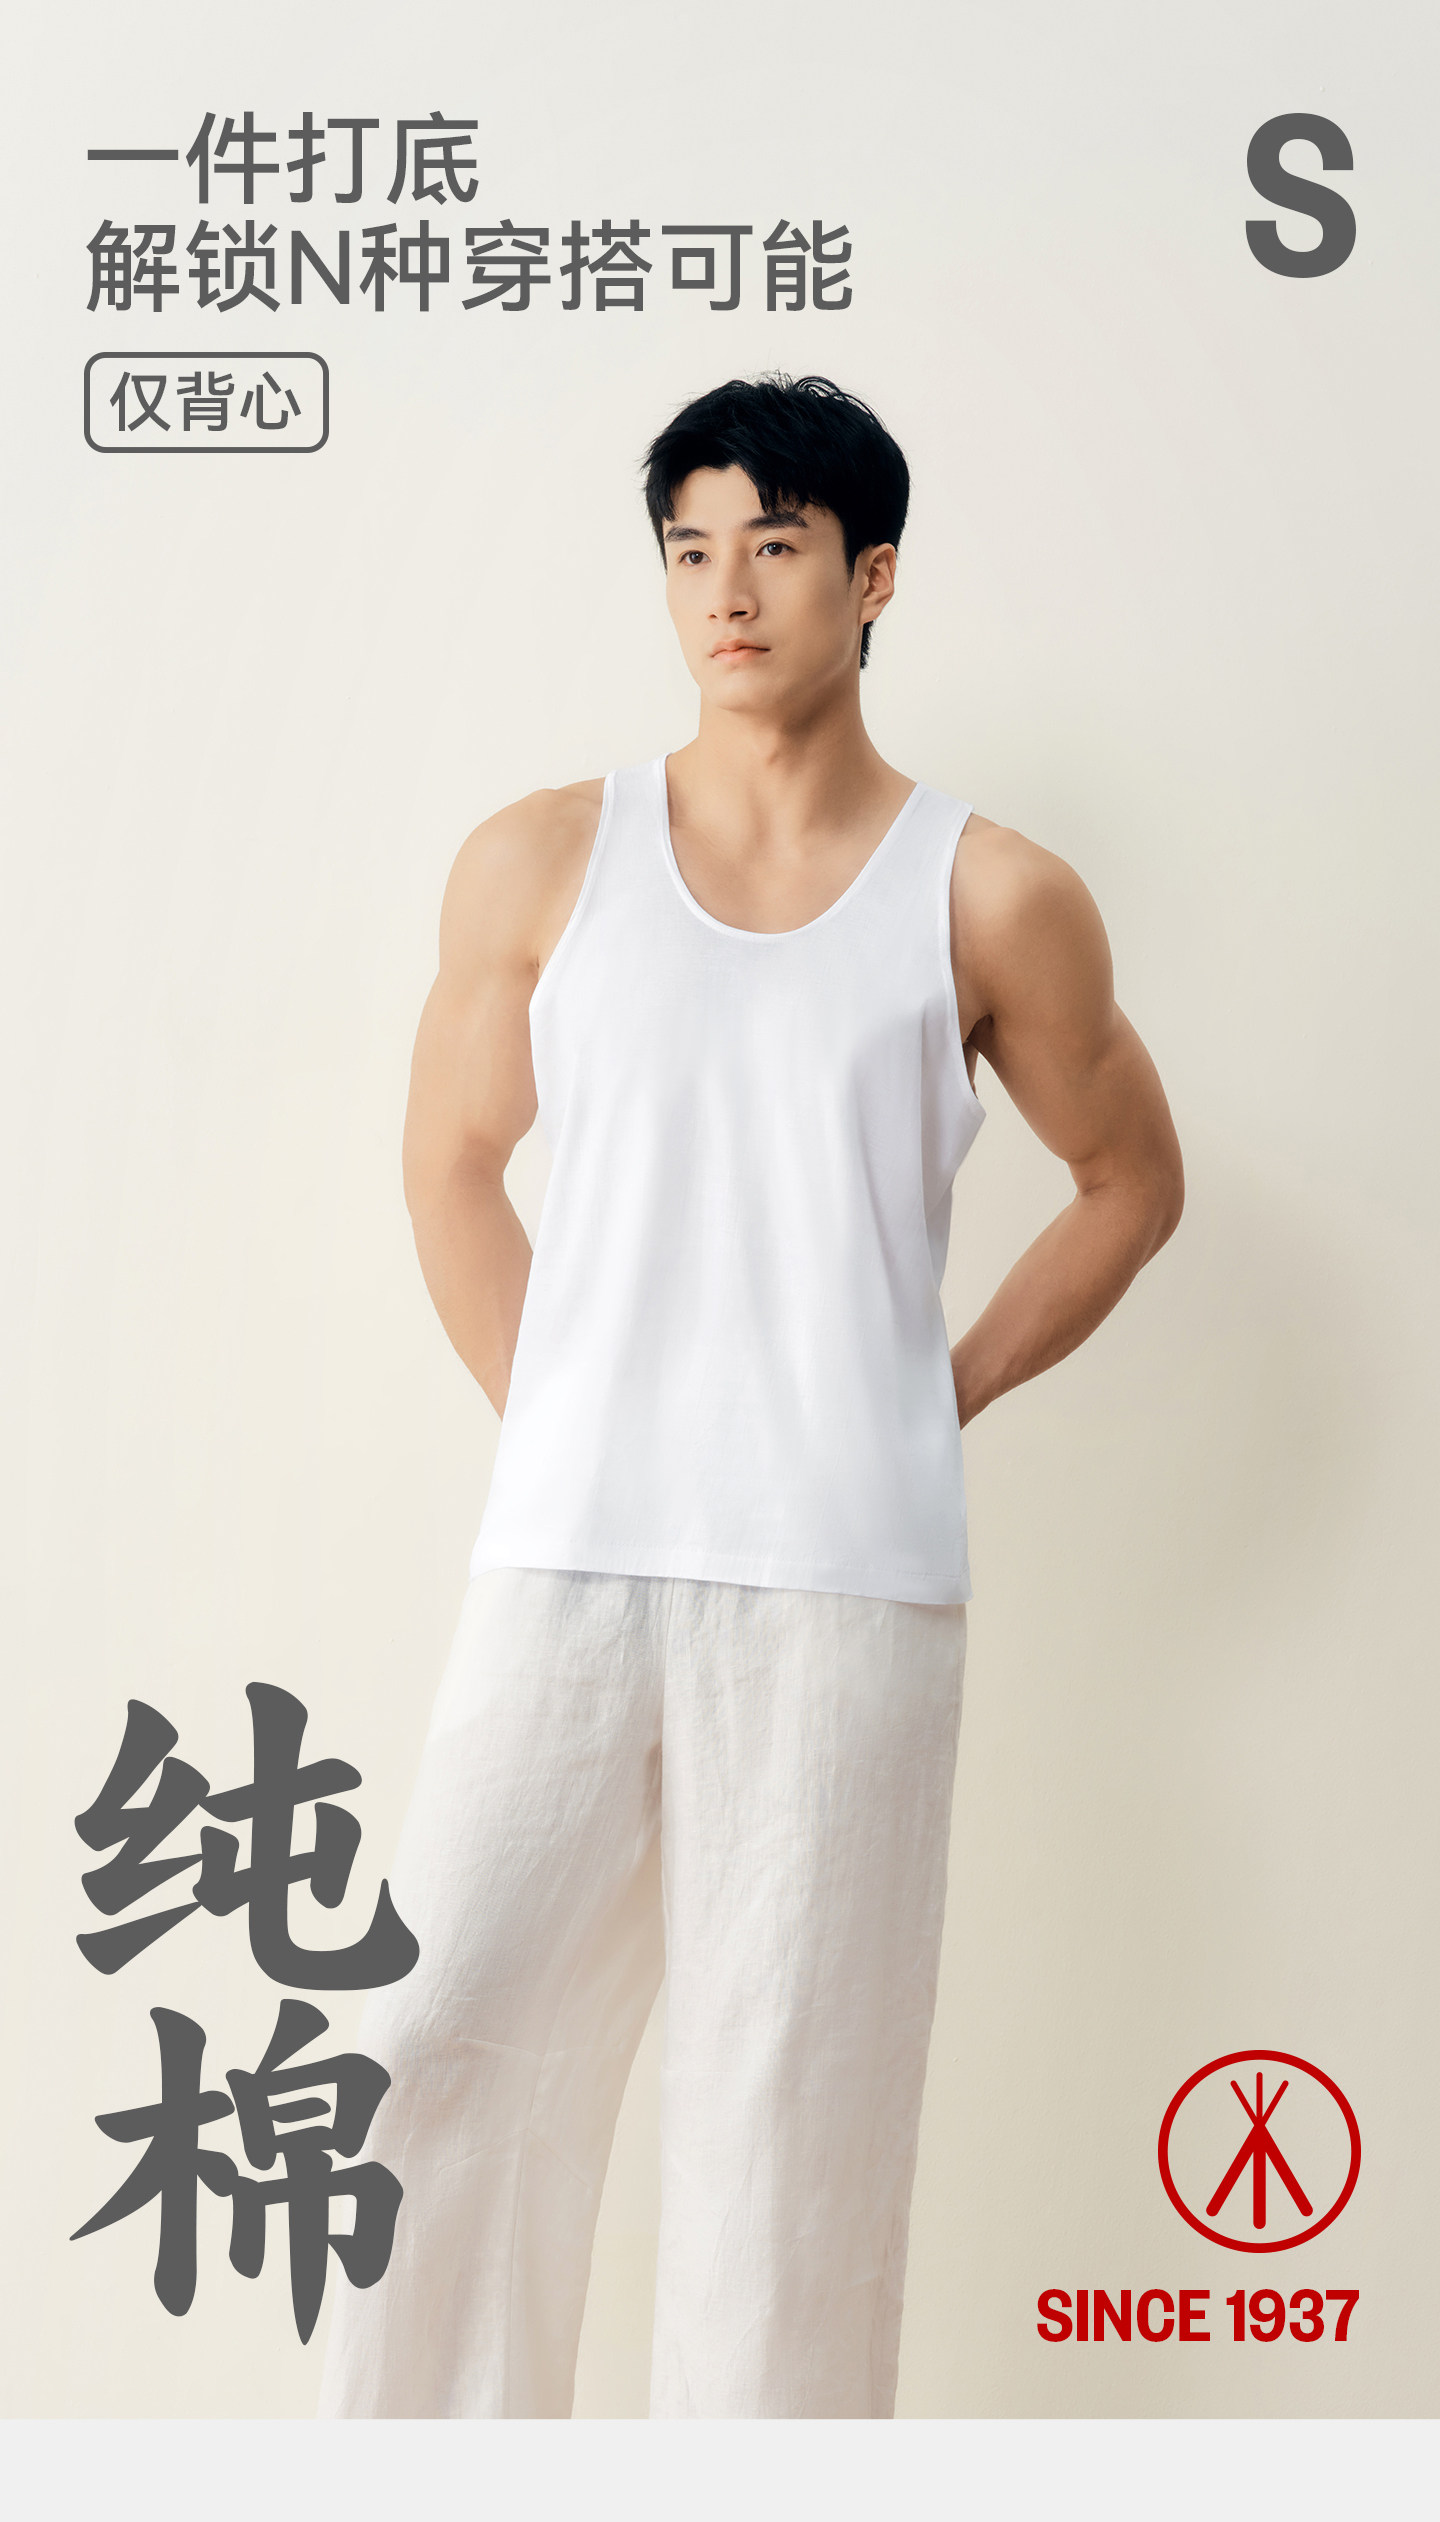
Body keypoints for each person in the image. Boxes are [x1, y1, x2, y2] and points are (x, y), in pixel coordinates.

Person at [317, 371, 1184, 2421]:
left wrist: (936, 1395)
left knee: (788, 2126)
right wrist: (563, 1413)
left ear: (871, 578)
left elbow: (1133, 1180)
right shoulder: (543, 858)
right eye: (691, 548)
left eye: (775, 546)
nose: (725, 590)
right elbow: (449, 1163)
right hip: (569, 1563)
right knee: (431, 2050)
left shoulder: (992, 894)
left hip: (844, 1589)